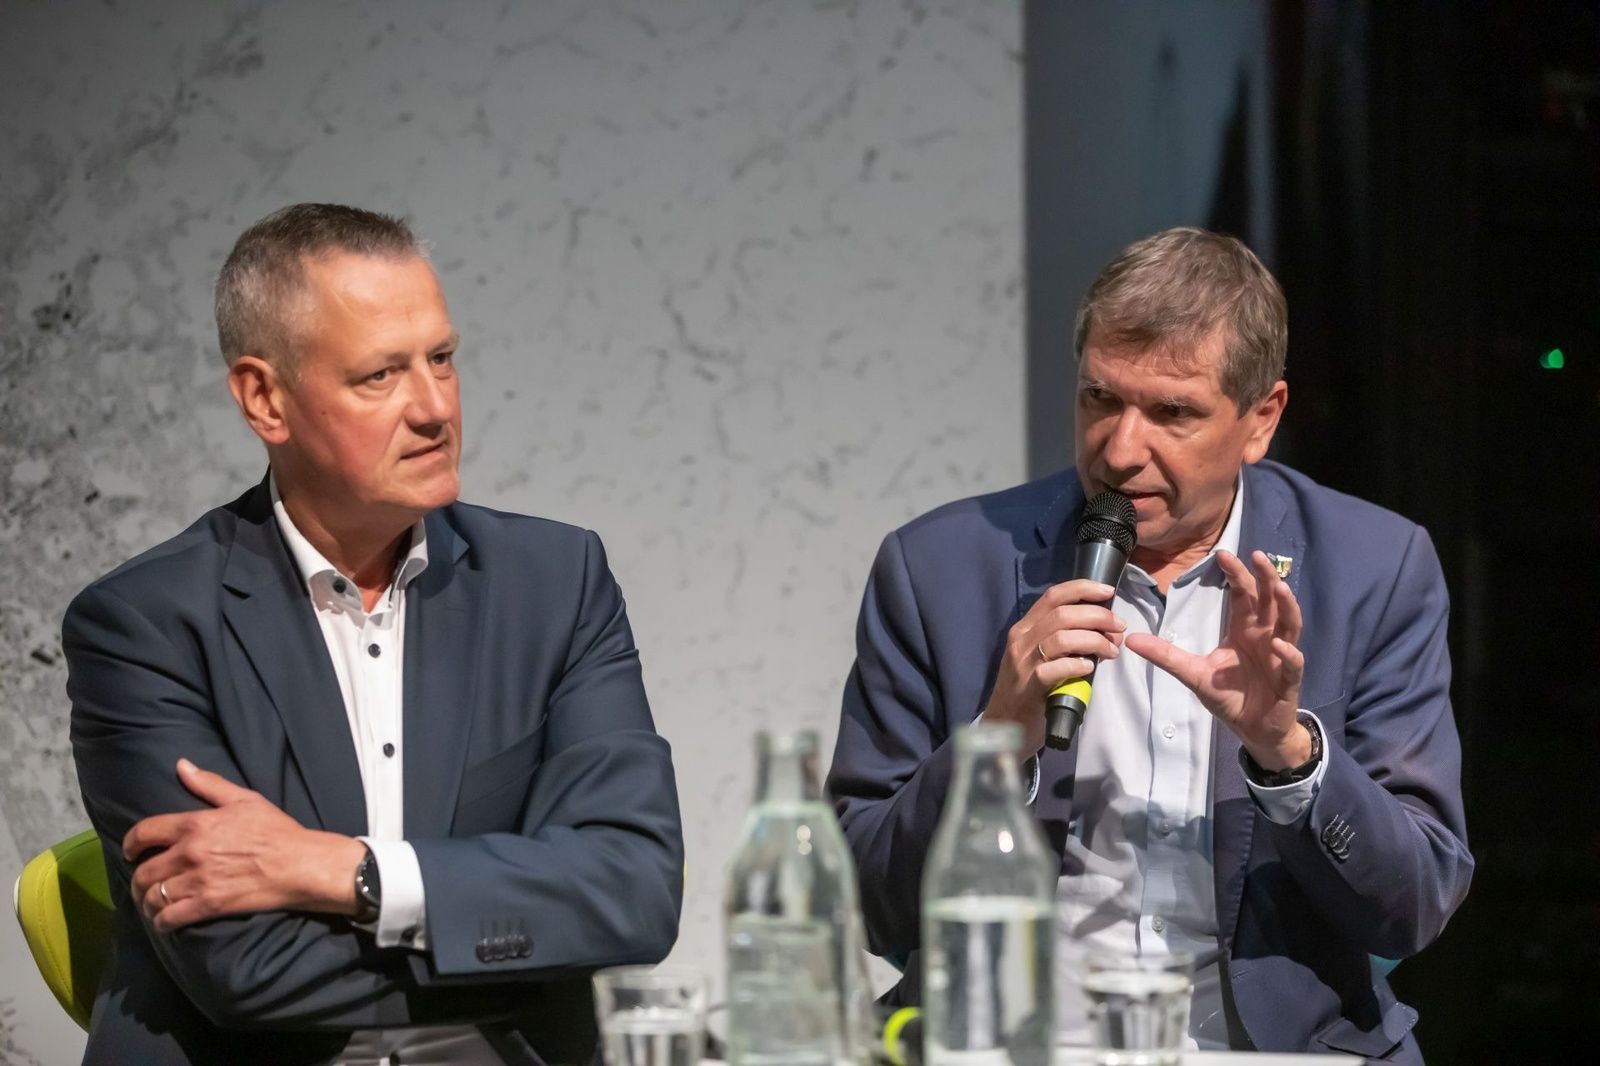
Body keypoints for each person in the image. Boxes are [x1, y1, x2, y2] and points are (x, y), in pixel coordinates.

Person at [827, 227, 1472, 1063]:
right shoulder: (939, 570)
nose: (1121, 450)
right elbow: (869, 907)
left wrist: (1288, 752)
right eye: (1100, 398)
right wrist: (996, 746)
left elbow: (1414, 906)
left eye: (1173, 413)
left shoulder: (1374, 569)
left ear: (1261, 419)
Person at [64, 203, 684, 1065]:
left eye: (442, 359)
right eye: (380, 375)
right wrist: (512, 935)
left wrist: (347, 872)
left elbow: (634, 892)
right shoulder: (146, 623)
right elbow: (243, 969)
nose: (434, 407)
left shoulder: (556, 582)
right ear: (265, 399)